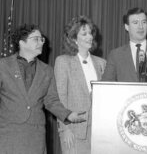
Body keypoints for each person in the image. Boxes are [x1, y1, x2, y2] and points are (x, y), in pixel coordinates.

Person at [0, 24, 87, 154]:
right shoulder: (3, 66)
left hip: (36, 136)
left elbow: (51, 101)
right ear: (21, 43)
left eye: (42, 39)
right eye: (36, 39)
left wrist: (68, 114)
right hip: (8, 134)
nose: (41, 42)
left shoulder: (47, 70)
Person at [54, 16, 106, 154]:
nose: (89, 36)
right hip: (74, 131)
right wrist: (65, 129)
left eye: (90, 33)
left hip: (99, 132)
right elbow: (60, 98)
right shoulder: (63, 62)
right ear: (74, 39)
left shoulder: (101, 63)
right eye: (84, 34)